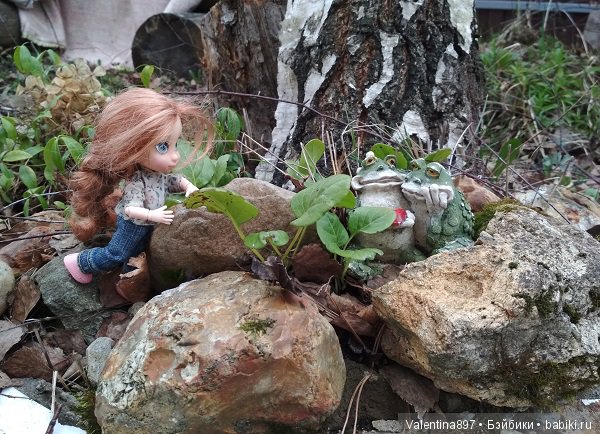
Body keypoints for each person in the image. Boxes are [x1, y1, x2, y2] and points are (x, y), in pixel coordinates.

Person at [64, 87, 213, 285]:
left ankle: (128, 281)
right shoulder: (137, 181)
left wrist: (189, 187)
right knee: (117, 253)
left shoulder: (156, 175)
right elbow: (130, 209)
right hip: (132, 224)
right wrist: (153, 215)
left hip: (147, 223)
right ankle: (81, 263)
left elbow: (174, 181)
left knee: (138, 253)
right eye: (163, 147)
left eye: (175, 145)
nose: (175, 156)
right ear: (133, 148)